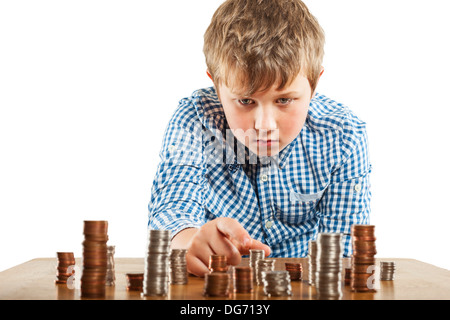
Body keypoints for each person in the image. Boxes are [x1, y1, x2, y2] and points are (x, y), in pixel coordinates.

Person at [147, 0, 372, 277]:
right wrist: (189, 241)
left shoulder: (343, 135)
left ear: (314, 86)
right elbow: (172, 208)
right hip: (217, 286)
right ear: (217, 87)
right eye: (245, 100)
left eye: (284, 100)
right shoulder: (194, 121)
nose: (264, 125)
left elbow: (342, 252)